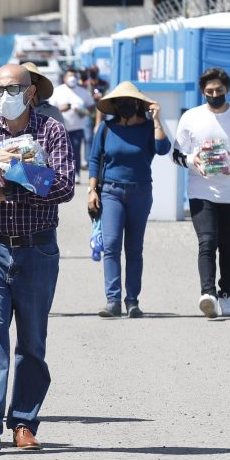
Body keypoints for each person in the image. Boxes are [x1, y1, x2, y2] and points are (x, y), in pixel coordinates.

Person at [0, 64, 75, 452]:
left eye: (11, 89)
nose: (3, 97)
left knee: (31, 339)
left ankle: (24, 421)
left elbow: (62, 187)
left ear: (30, 92)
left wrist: (12, 190)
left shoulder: (52, 131)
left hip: (37, 247)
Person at [172, 68, 230, 318]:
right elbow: (176, 154)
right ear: (203, 92)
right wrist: (193, 160)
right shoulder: (191, 117)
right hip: (200, 190)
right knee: (207, 242)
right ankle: (208, 294)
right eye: (209, 91)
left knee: (228, 246)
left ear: (227, 90)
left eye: (219, 91)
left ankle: (226, 294)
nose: (214, 95)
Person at [87, 82, 170, 318]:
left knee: (134, 249)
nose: (126, 105)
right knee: (112, 245)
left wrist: (156, 120)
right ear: (114, 105)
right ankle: (112, 300)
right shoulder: (106, 128)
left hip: (140, 192)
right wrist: (92, 191)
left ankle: (132, 301)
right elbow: (94, 160)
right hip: (111, 191)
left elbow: (163, 148)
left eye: (131, 102)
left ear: (139, 104)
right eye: (121, 102)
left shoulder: (147, 128)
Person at [49, 68, 95, 179]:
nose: (72, 78)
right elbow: (50, 108)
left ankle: (76, 173)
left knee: (75, 151)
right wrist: (63, 108)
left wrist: (83, 112)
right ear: (64, 78)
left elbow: (91, 106)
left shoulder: (83, 92)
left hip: (77, 127)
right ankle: (61, 174)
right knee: (61, 152)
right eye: (69, 76)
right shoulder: (57, 91)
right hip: (60, 128)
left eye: (74, 75)